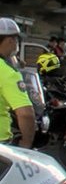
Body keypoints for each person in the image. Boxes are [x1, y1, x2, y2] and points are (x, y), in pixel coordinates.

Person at [0, 18, 35, 148]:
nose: (17, 44)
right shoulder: (7, 73)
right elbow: (25, 114)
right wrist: (26, 143)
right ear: (10, 41)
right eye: (16, 40)